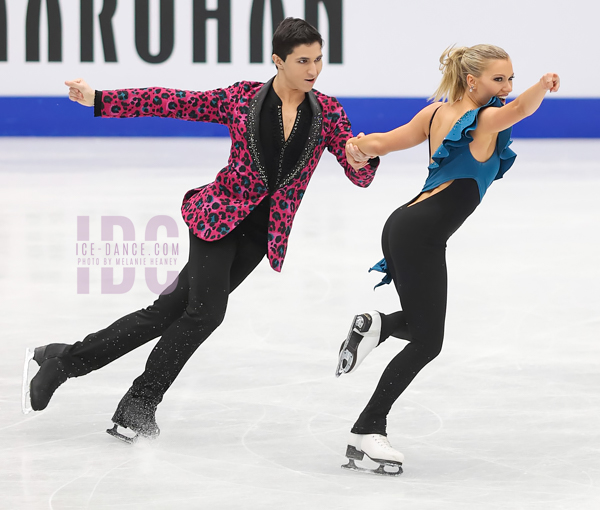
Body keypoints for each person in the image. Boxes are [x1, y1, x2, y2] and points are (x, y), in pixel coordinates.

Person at [22, 17, 379, 443]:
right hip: (216, 219)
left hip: (260, 238)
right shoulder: (242, 98)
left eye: (319, 60)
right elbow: (171, 101)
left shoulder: (328, 113)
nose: (313, 70)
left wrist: (362, 160)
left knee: (165, 313)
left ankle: (62, 360)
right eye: (303, 60)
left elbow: (357, 171)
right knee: (205, 314)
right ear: (278, 61)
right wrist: (100, 98)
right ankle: (138, 404)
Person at [335, 44, 560, 475]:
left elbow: (384, 142)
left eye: (511, 78)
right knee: (428, 341)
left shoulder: (436, 115)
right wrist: (542, 85)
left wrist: (359, 146)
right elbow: (522, 111)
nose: (507, 87)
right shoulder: (487, 120)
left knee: (423, 329)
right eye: (499, 80)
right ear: (473, 80)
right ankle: (367, 431)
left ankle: (377, 326)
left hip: (403, 226)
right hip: (419, 236)